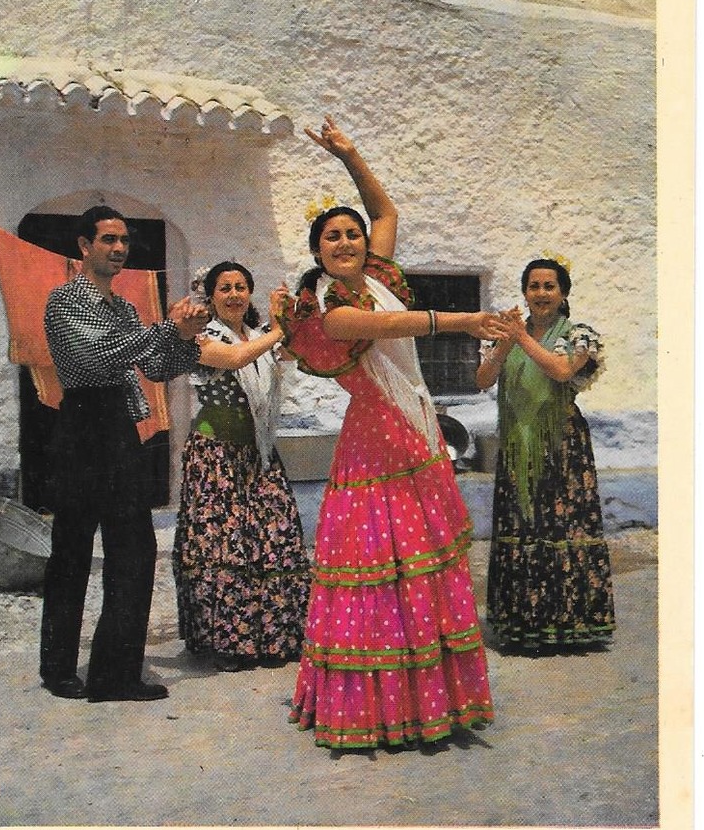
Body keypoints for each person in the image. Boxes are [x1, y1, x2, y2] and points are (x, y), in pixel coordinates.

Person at [281, 117, 503, 751]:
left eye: (352, 234)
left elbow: (386, 209)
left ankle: (428, 698)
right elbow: (406, 325)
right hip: (377, 439)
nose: (347, 242)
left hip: (413, 426)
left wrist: (351, 154)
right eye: (333, 238)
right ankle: (372, 707)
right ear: (318, 252)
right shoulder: (335, 309)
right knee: (379, 569)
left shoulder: (375, 277)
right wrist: (468, 319)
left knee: (422, 567)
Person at [39, 205, 209, 702]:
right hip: (80, 425)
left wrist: (185, 334)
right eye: (108, 239)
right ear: (84, 246)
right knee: (71, 551)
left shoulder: (126, 309)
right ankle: (57, 668)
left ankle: (116, 673)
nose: (118, 249)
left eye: (124, 242)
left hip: (117, 426)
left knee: (133, 549)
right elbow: (96, 358)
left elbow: (154, 366)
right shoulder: (63, 301)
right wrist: (164, 332)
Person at [172, 262, 310, 671]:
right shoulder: (202, 338)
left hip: (259, 453)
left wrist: (290, 317)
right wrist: (279, 328)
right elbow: (234, 359)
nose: (233, 294)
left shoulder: (261, 335)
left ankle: (274, 637)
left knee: (275, 539)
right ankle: (229, 644)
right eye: (224, 288)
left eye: (240, 287)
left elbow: (298, 351)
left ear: (249, 292)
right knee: (223, 546)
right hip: (215, 458)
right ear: (211, 296)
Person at [476, 257, 615, 654]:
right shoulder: (507, 336)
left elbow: (559, 370)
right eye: (533, 286)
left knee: (561, 528)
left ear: (563, 293)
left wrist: (521, 338)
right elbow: (483, 379)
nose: (541, 294)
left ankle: (571, 626)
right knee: (524, 525)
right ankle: (523, 623)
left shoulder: (579, 335)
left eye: (549, 286)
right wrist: (506, 342)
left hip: (562, 447)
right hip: (519, 444)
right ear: (524, 292)